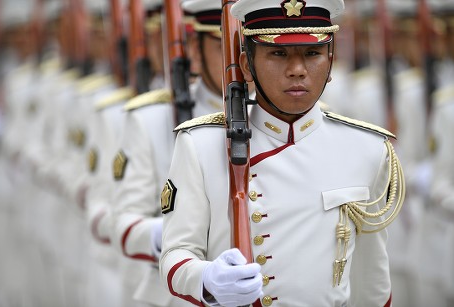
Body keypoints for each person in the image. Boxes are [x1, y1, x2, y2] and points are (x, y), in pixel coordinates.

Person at [159, 0, 405, 306]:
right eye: (278, 53)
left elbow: (373, 283)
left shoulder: (367, 148)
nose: (297, 70)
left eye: (312, 53)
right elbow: (175, 254)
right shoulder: (201, 144)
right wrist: (207, 279)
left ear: (331, 60)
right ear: (247, 65)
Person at [109, 0, 226, 305]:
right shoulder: (150, 119)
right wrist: (163, 233)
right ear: (196, 54)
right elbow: (122, 221)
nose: (241, 58)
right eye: (224, 45)